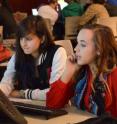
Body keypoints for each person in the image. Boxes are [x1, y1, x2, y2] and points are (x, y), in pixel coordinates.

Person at [0, 15, 74, 109]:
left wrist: (23, 93)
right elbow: (6, 83)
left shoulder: (57, 53)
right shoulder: (17, 56)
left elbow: (54, 92)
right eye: (21, 39)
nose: (23, 44)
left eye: (28, 39)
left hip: (55, 108)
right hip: (29, 106)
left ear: (42, 39)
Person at [61, 24, 117, 117]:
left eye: (83, 45)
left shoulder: (114, 75)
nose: (75, 49)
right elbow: (53, 104)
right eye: (77, 43)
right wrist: (67, 72)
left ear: (99, 49)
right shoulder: (82, 72)